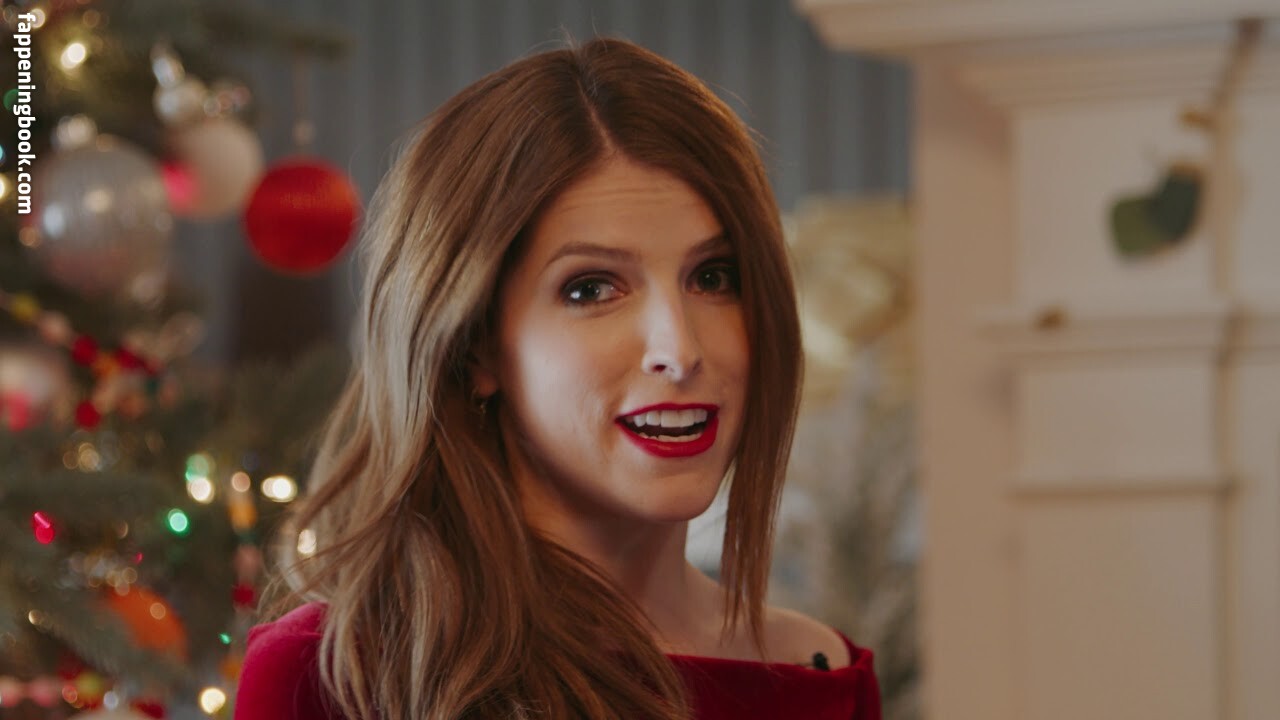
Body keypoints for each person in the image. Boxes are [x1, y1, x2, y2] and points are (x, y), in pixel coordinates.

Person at [234, 37, 882, 720]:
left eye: (714, 277)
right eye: (592, 288)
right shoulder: (332, 674)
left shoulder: (820, 673)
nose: (680, 349)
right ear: (475, 346)